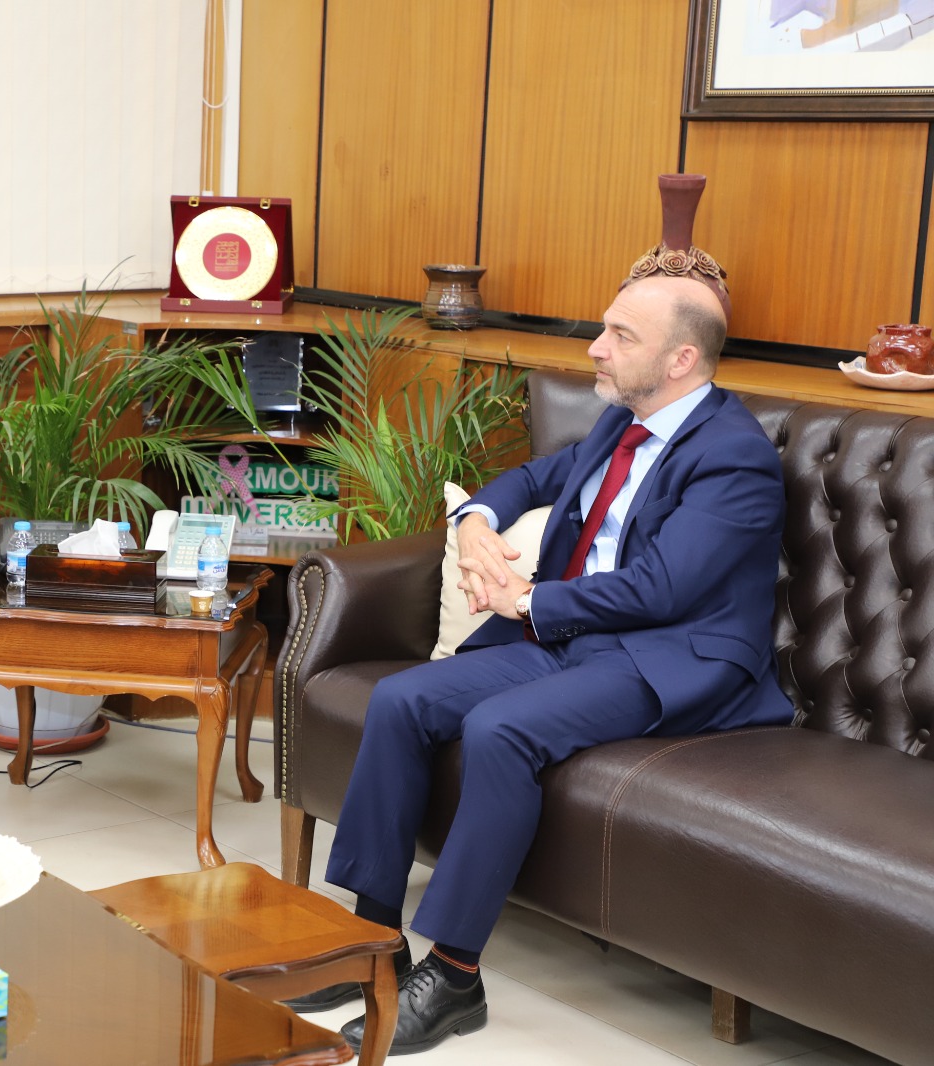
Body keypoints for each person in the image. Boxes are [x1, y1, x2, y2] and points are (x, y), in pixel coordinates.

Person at [297, 176, 794, 1057]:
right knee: (403, 700)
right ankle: (373, 942)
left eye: (620, 337)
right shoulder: (621, 420)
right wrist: (474, 521)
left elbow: (663, 591)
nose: (596, 347)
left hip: (668, 657)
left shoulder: (735, 458)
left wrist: (526, 599)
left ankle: (455, 976)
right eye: (605, 327)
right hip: (578, 637)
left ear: (681, 359)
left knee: (501, 729)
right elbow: (535, 477)